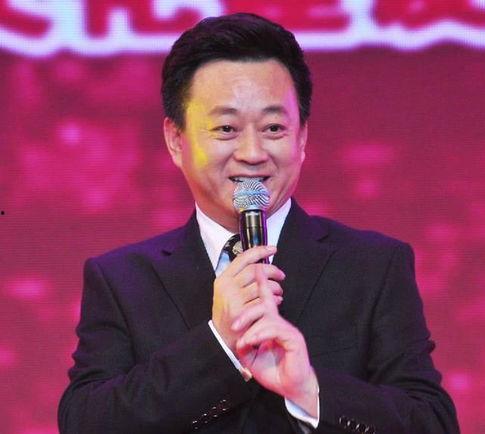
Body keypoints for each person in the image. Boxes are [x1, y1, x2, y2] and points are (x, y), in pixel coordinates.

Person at [58, 13, 460, 433]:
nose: (252, 153)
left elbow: (432, 423)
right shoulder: (122, 280)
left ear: (301, 138)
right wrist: (218, 346)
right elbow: (85, 423)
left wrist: (310, 391)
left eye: (273, 127)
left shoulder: (373, 266)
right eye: (226, 128)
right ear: (176, 141)